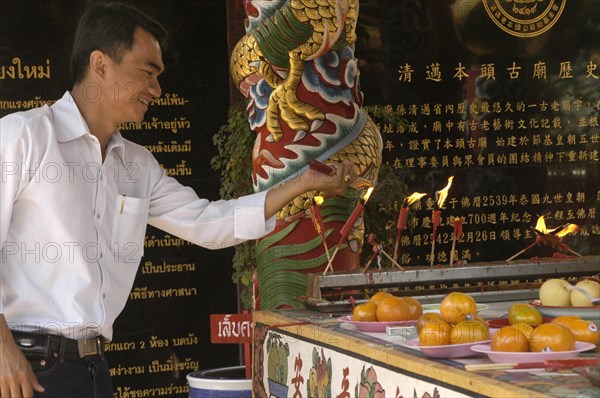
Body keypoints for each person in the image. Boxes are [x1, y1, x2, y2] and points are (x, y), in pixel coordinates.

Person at [0, 2, 356, 397]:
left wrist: (301, 184)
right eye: (146, 72)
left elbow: (207, 224)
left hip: (92, 369)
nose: (156, 89)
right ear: (100, 64)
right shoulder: (25, 137)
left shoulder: (136, 164)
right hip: (23, 367)